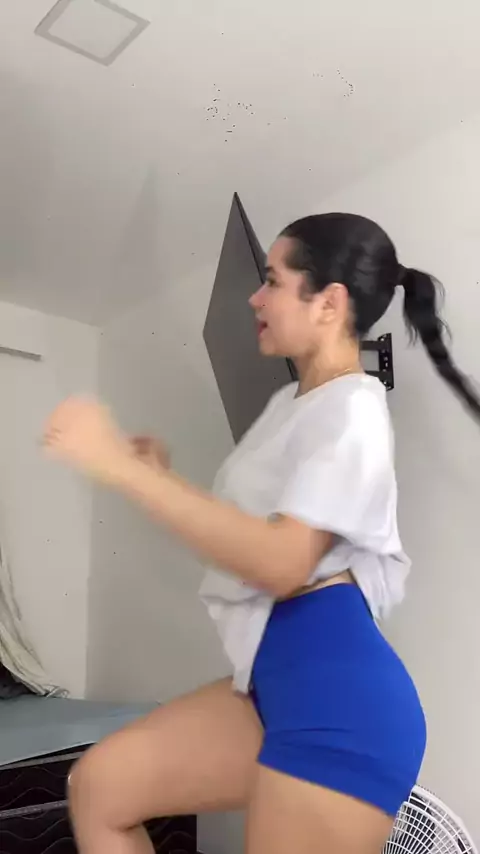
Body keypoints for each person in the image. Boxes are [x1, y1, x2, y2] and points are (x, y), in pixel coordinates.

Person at [43, 213, 480, 854]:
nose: (255, 297)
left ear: (328, 303)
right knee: (100, 789)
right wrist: (157, 475)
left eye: (272, 280)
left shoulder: (355, 407)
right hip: (273, 687)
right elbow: (249, 541)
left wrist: (119, 469)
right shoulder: (289, 406)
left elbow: (282, 563)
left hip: (339, 709)